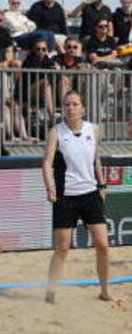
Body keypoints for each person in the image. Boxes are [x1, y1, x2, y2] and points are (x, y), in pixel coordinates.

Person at [42, 91, 111, 303]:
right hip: (66, 196)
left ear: (83, 108)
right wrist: (50, 187)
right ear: (62, 108)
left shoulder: (93, 129)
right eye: (67, 104)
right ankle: (50, 292)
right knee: (62, 248)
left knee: (103, 246)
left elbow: (96, 159)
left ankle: (104, 290)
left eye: (75, 104)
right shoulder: (56, 132)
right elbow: (46, 163)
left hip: (90, 193)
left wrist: (101, 184)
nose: (70, 108)